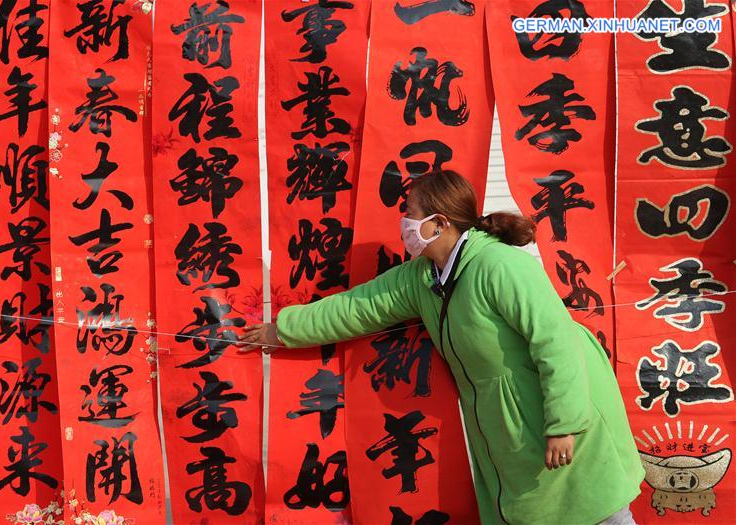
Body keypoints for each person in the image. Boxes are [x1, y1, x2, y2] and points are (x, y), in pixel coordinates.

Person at [237, 170, 645, 524]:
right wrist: (282, 329)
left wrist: (565, 425)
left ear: (439, 222)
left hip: (559, 418)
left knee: (595, 510)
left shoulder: (500, 266)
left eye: (411, 213)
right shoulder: (423, 279)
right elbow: (358, 306)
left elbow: (555, 342)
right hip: (509, 430)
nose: (404, 223)